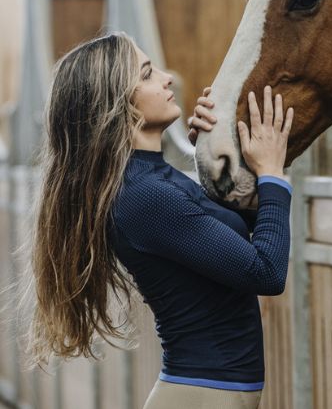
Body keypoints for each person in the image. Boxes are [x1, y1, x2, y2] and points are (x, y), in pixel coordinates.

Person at [25, 32, 294, 409]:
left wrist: (222, 152)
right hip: (201, 396)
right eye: (149, 74)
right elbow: (266, 271)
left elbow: (236, 241)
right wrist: (272, 174)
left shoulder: (153, 180)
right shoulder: (146, 195)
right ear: (121, 103)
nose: (167, 78)